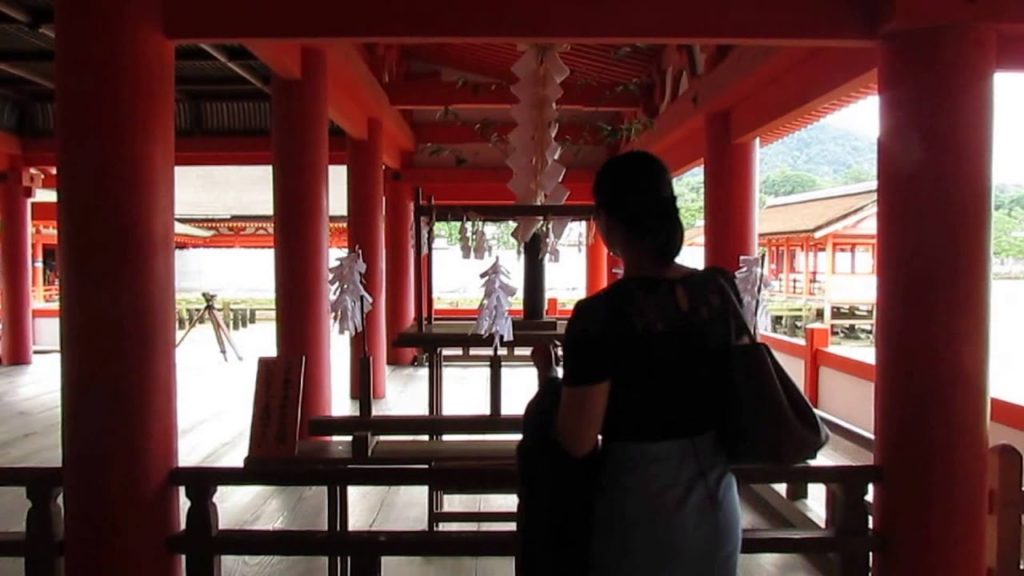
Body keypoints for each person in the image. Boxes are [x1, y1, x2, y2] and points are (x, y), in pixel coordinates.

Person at [533, 150, 744, 575]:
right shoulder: (719, 290)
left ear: (607, 223)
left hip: (638, 505)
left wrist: (549, 379)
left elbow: (577, 439)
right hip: (716, 497)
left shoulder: (601, 315)